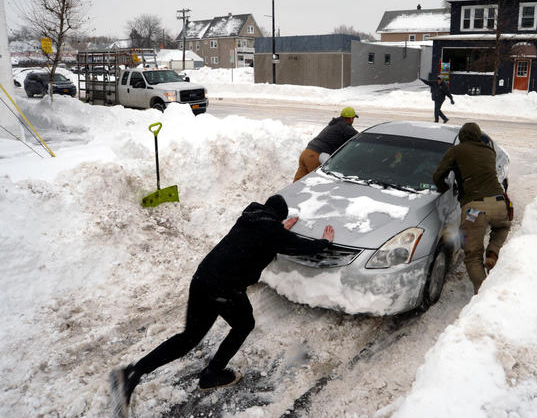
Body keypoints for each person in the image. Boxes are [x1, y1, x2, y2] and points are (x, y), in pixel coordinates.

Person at [110, 195, 334, 415]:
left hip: (203, 279)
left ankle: (133, 371)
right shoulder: (271, 232)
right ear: (278, 219)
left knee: (189, 337)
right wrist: (325, 241)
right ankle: (211, 374)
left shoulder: (249, 220)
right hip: (224, 288)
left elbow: (267, 236)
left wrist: (280, 229)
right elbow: (302, 247)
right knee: (244, 324)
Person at [432, 122, 511, 295]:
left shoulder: (457, 150)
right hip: (498, 202)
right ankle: (493, 252)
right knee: (502, 227)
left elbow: (438, 174)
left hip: (475, 209)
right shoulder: (490, 152)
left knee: (473, 255)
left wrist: (442, 187)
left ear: (461, 137)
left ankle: (484, 295)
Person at [293, 106, 359, 182]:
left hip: (306, 153)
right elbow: (359, 137)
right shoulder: (345, 127)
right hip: (316, 156)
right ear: (351, 118)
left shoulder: (334, 124)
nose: (353, 120)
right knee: (318, 181)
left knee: (297, 182)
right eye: (353, 118)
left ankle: (289, 194)